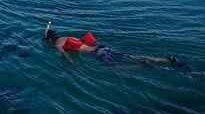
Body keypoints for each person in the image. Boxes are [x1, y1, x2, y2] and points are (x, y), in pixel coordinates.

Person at [44, 28, 182, 68]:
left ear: (50, 40)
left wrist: (71, 63)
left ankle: (142, 66)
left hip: (96, 54)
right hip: (103, 48)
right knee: (129, 56)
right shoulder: (68, 37)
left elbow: (65, 55)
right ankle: (166, 60)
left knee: (116, 68)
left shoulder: (58, 44)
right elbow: (86, 42)